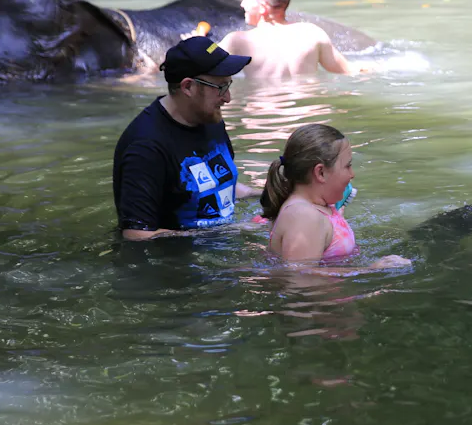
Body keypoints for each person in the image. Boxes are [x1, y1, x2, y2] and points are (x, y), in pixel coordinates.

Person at [113, 36, 260, 241]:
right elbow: (137, 234)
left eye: (229, 85)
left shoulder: (210, 118)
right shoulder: (146, 147)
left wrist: (264, 196)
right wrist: (225, 233)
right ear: (188, 87)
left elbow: (217, 182)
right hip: (178, 264)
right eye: (220, 87)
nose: (228, 98)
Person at [262, 123, 410, 271]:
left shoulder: (318, 208)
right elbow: (299, 281)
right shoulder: (304, 216)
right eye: (347, 166)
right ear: (321, 173)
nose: (352, 174)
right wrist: (370, 269)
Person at [217, 0, 368, 79]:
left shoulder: (236, 41)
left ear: (262, 8)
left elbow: (206, 59)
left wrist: (197, 41)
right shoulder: (312, 33)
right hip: (310, 116)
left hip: (263, 119)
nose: (242, 4)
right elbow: (347, 71)